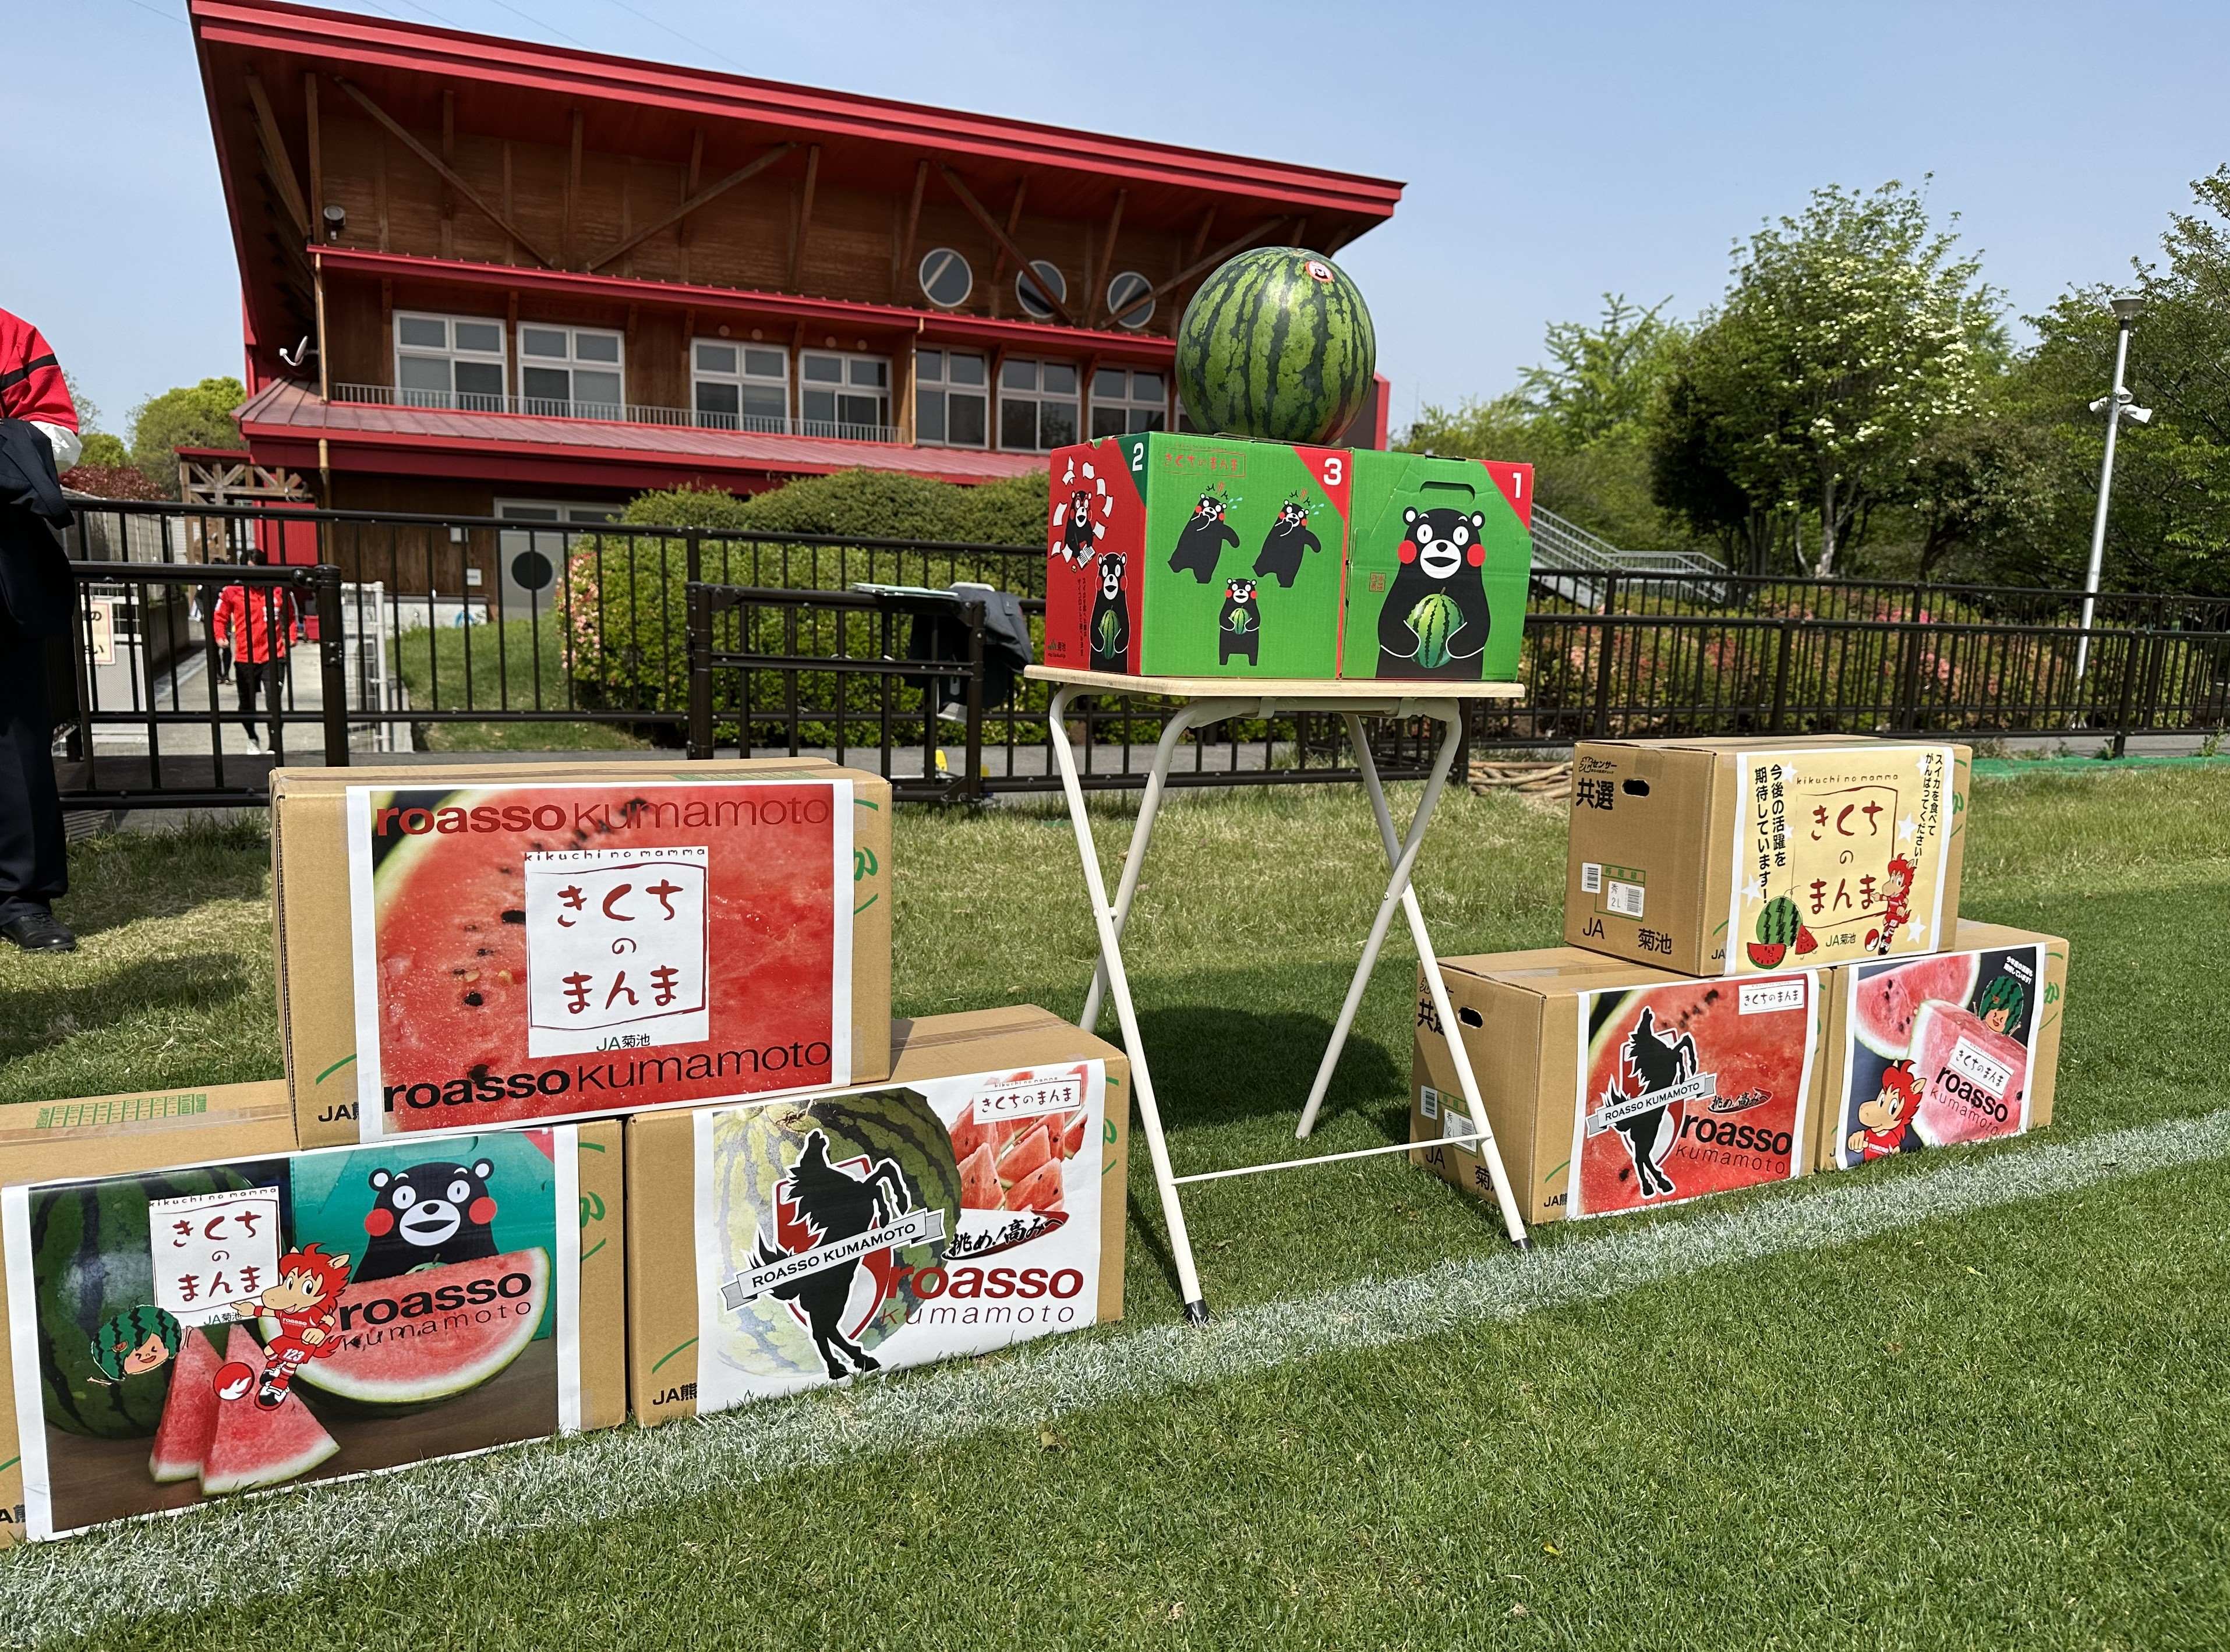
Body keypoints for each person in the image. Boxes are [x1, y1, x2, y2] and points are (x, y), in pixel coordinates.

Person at [0, 305, 83, 953]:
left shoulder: (10, 334)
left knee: (15, 735)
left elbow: (60, 434)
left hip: (1, 557)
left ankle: (21, 896)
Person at [210, 550, 298, 746]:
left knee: (274, 704)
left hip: (274, 655)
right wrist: (220, 636)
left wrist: (292, 636)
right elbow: (219, 617)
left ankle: (274, 745)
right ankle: (252, 737)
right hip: (245, 657)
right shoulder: (232, 591)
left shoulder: (278, 590)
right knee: (246, 705)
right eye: (250, 570)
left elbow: (291, 615)